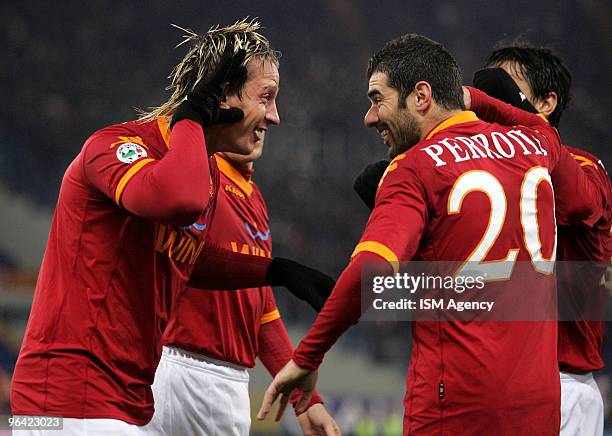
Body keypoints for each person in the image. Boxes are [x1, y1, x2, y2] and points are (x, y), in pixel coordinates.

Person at [257, 34, 604, 435]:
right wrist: (471, 98)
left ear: (421, 96)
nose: (369, 117)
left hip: (454, 409)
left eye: (377, 98)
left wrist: (307, 358)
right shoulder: (537, 145)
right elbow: (544, 135)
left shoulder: (414, 168)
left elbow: (372, 268)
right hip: (538, 410)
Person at [11, 20, 334, 435]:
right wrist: (192, 118)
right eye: (266, 97)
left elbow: (188, 258)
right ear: (222, 95)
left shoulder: (207, 174)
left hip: (120, 402)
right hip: (69, 399)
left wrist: (274, 271)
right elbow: (177, 202)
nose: (275, 116)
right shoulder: (115, 146)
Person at [146, 134, 340, 436]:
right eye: (261, 100)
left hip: (216, 379)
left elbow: (260, 310)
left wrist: (307, 401)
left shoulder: (254, 197)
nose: (266, 121)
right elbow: (181, 258)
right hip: (193, 369)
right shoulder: (205, 173)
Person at [474, 43, 612, 436]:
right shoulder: (482, 175)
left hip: (561, 383)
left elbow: (579, 202)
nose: (493, 104)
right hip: (494, 382)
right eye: (488, 94)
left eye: (506, 91)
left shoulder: (584, 167)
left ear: (546, 102)